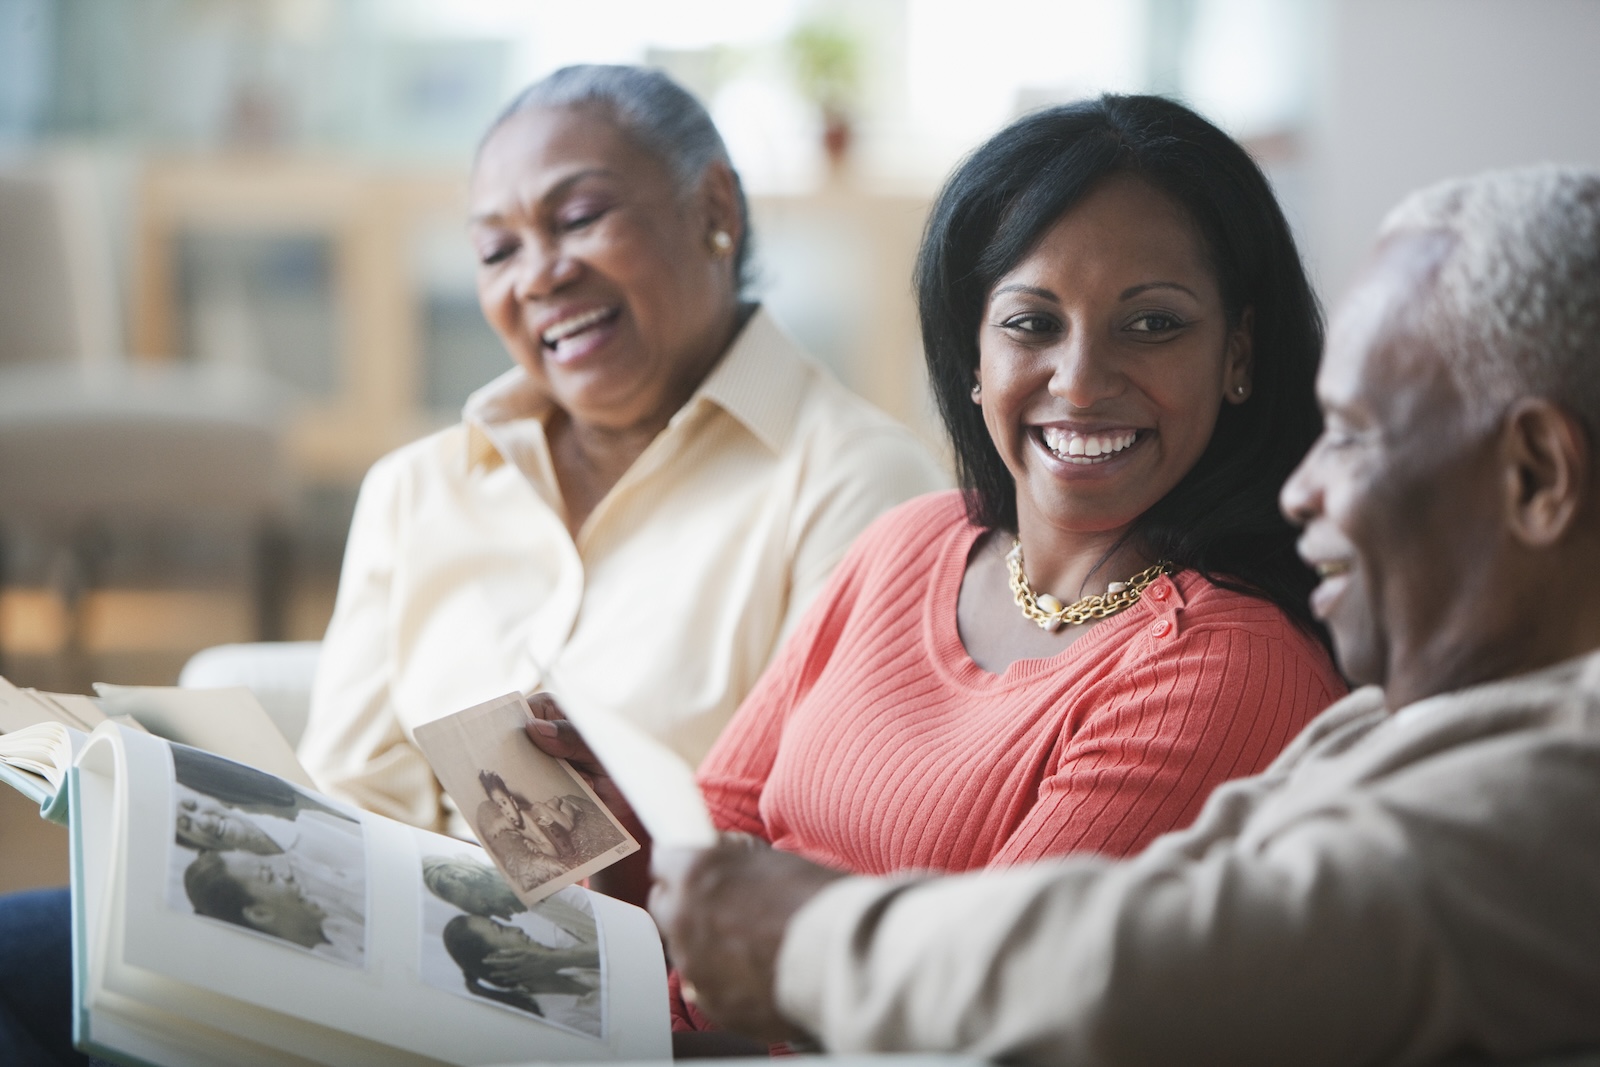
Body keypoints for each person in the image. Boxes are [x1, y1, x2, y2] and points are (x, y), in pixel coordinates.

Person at [650, 166, 1600, 1065]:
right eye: (1030, 322)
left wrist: (795, 938)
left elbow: (1123, 960)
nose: (1305, 486)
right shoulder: (1392, 723)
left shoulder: (1561, 786)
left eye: (1350, 436)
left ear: (1538, 475)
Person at [526, 93, 1344, 1038]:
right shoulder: (910, 543)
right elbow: (715, 862)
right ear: (972, 351)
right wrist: (617, 825)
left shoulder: (1226, 670)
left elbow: (974, 1015)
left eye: (1152, 325)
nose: (1080, 380)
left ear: (1239, 351)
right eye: (1033, 323)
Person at [295, 63, 945, 837]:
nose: (540, 275)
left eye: (579, 217)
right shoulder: (415, 488)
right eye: (498, 250)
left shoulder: (859, 482)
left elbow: (821, 833)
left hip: (680, 952)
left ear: (714, 208)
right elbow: (348, 800)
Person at [183, 849, 364, 966]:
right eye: (268, 874)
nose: (287, 875)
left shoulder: (334, 925)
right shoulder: (323, 971)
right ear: (260, 914)